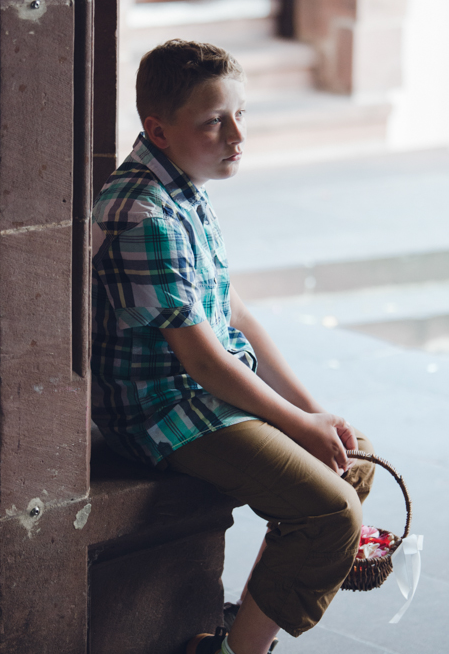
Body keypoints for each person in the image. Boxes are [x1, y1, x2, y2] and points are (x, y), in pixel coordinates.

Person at [91, 39, 375, 654]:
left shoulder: (185, 185)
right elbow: (198, 358)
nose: (237, 136)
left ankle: (245, 621)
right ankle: (235, 651)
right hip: (161, 411)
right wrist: (298, 423)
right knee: (331, 511)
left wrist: (313, 412)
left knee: (356, 457)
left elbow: (233, 311)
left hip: (202, 392)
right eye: (214, 121)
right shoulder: (146, 215)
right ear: (157, 130)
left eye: (240, 114)